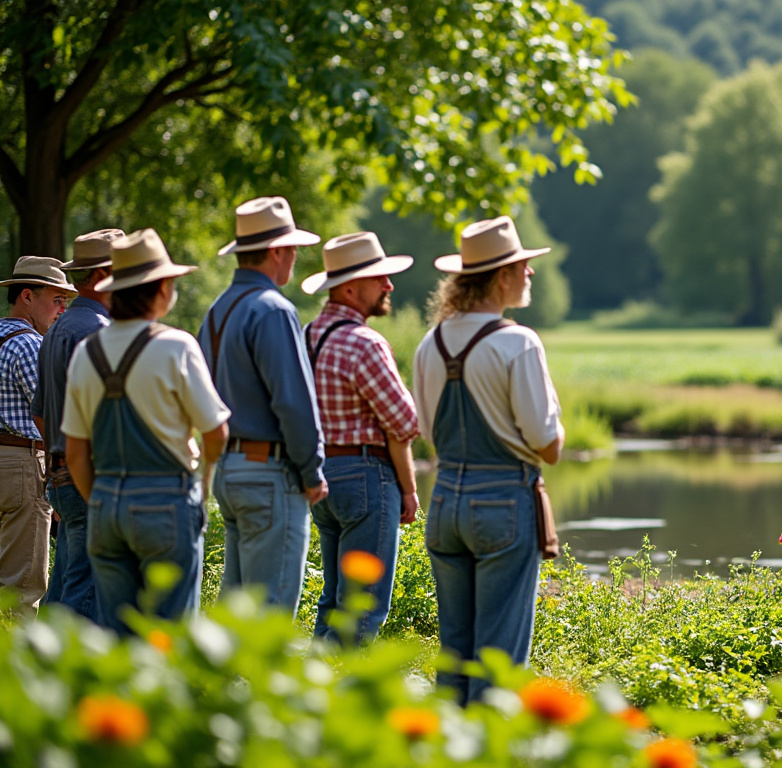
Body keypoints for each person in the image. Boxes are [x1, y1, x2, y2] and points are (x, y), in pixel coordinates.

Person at [412, 215, 564, 704]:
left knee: (454, 652)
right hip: (502, 502)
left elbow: (426, 430)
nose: (530, 273)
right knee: (498, 659)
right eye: (523, 266)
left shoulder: (427, 344)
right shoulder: (517, 341)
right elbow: (549, 444)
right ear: (501, 276)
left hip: (446, 502)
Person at [62, 229, 230, 634]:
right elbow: (216, 433)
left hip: (106, 505)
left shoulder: (88, 352)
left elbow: (75, 454)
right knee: (167, 634)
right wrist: (201, 487)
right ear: (160, 290)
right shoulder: (176, 346)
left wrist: (102, 499)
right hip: (166, 502)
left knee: (118, 636)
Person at [199, 196, 327, 616]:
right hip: (270, 475)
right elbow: (293, 403)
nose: (295, 258)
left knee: (236, 615)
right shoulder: (274, 310)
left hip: (228, 472)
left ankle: (217, 684)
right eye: (293, 249)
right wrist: (312, 471)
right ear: (276, 252)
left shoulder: (216, 312)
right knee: (269, 619)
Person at [299, 232, 419, 643]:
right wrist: (409, 489)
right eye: (379, 278)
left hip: (321, 476)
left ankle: (313, 691)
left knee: (331, 603)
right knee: (363, 609)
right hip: (367, 478)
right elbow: (403, 423)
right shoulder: (365, 342)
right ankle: (344, 695)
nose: (388, 285)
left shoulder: (306, 336)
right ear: (350, 288)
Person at [32, 229, 122, 618]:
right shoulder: (98, 332)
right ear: (103, 276)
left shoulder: (59, 329)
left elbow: (39, 413)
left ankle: (36, 663)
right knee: (86, 593)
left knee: (66, 581)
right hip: (92, 477)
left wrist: (61, 459)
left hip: (63, 476)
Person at [0, 256, 74, 615]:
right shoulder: (29, 345)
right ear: (27, 296)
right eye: (56, 299)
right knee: (21, 588)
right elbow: (52, 418)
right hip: (21, 465)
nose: (62, 309)